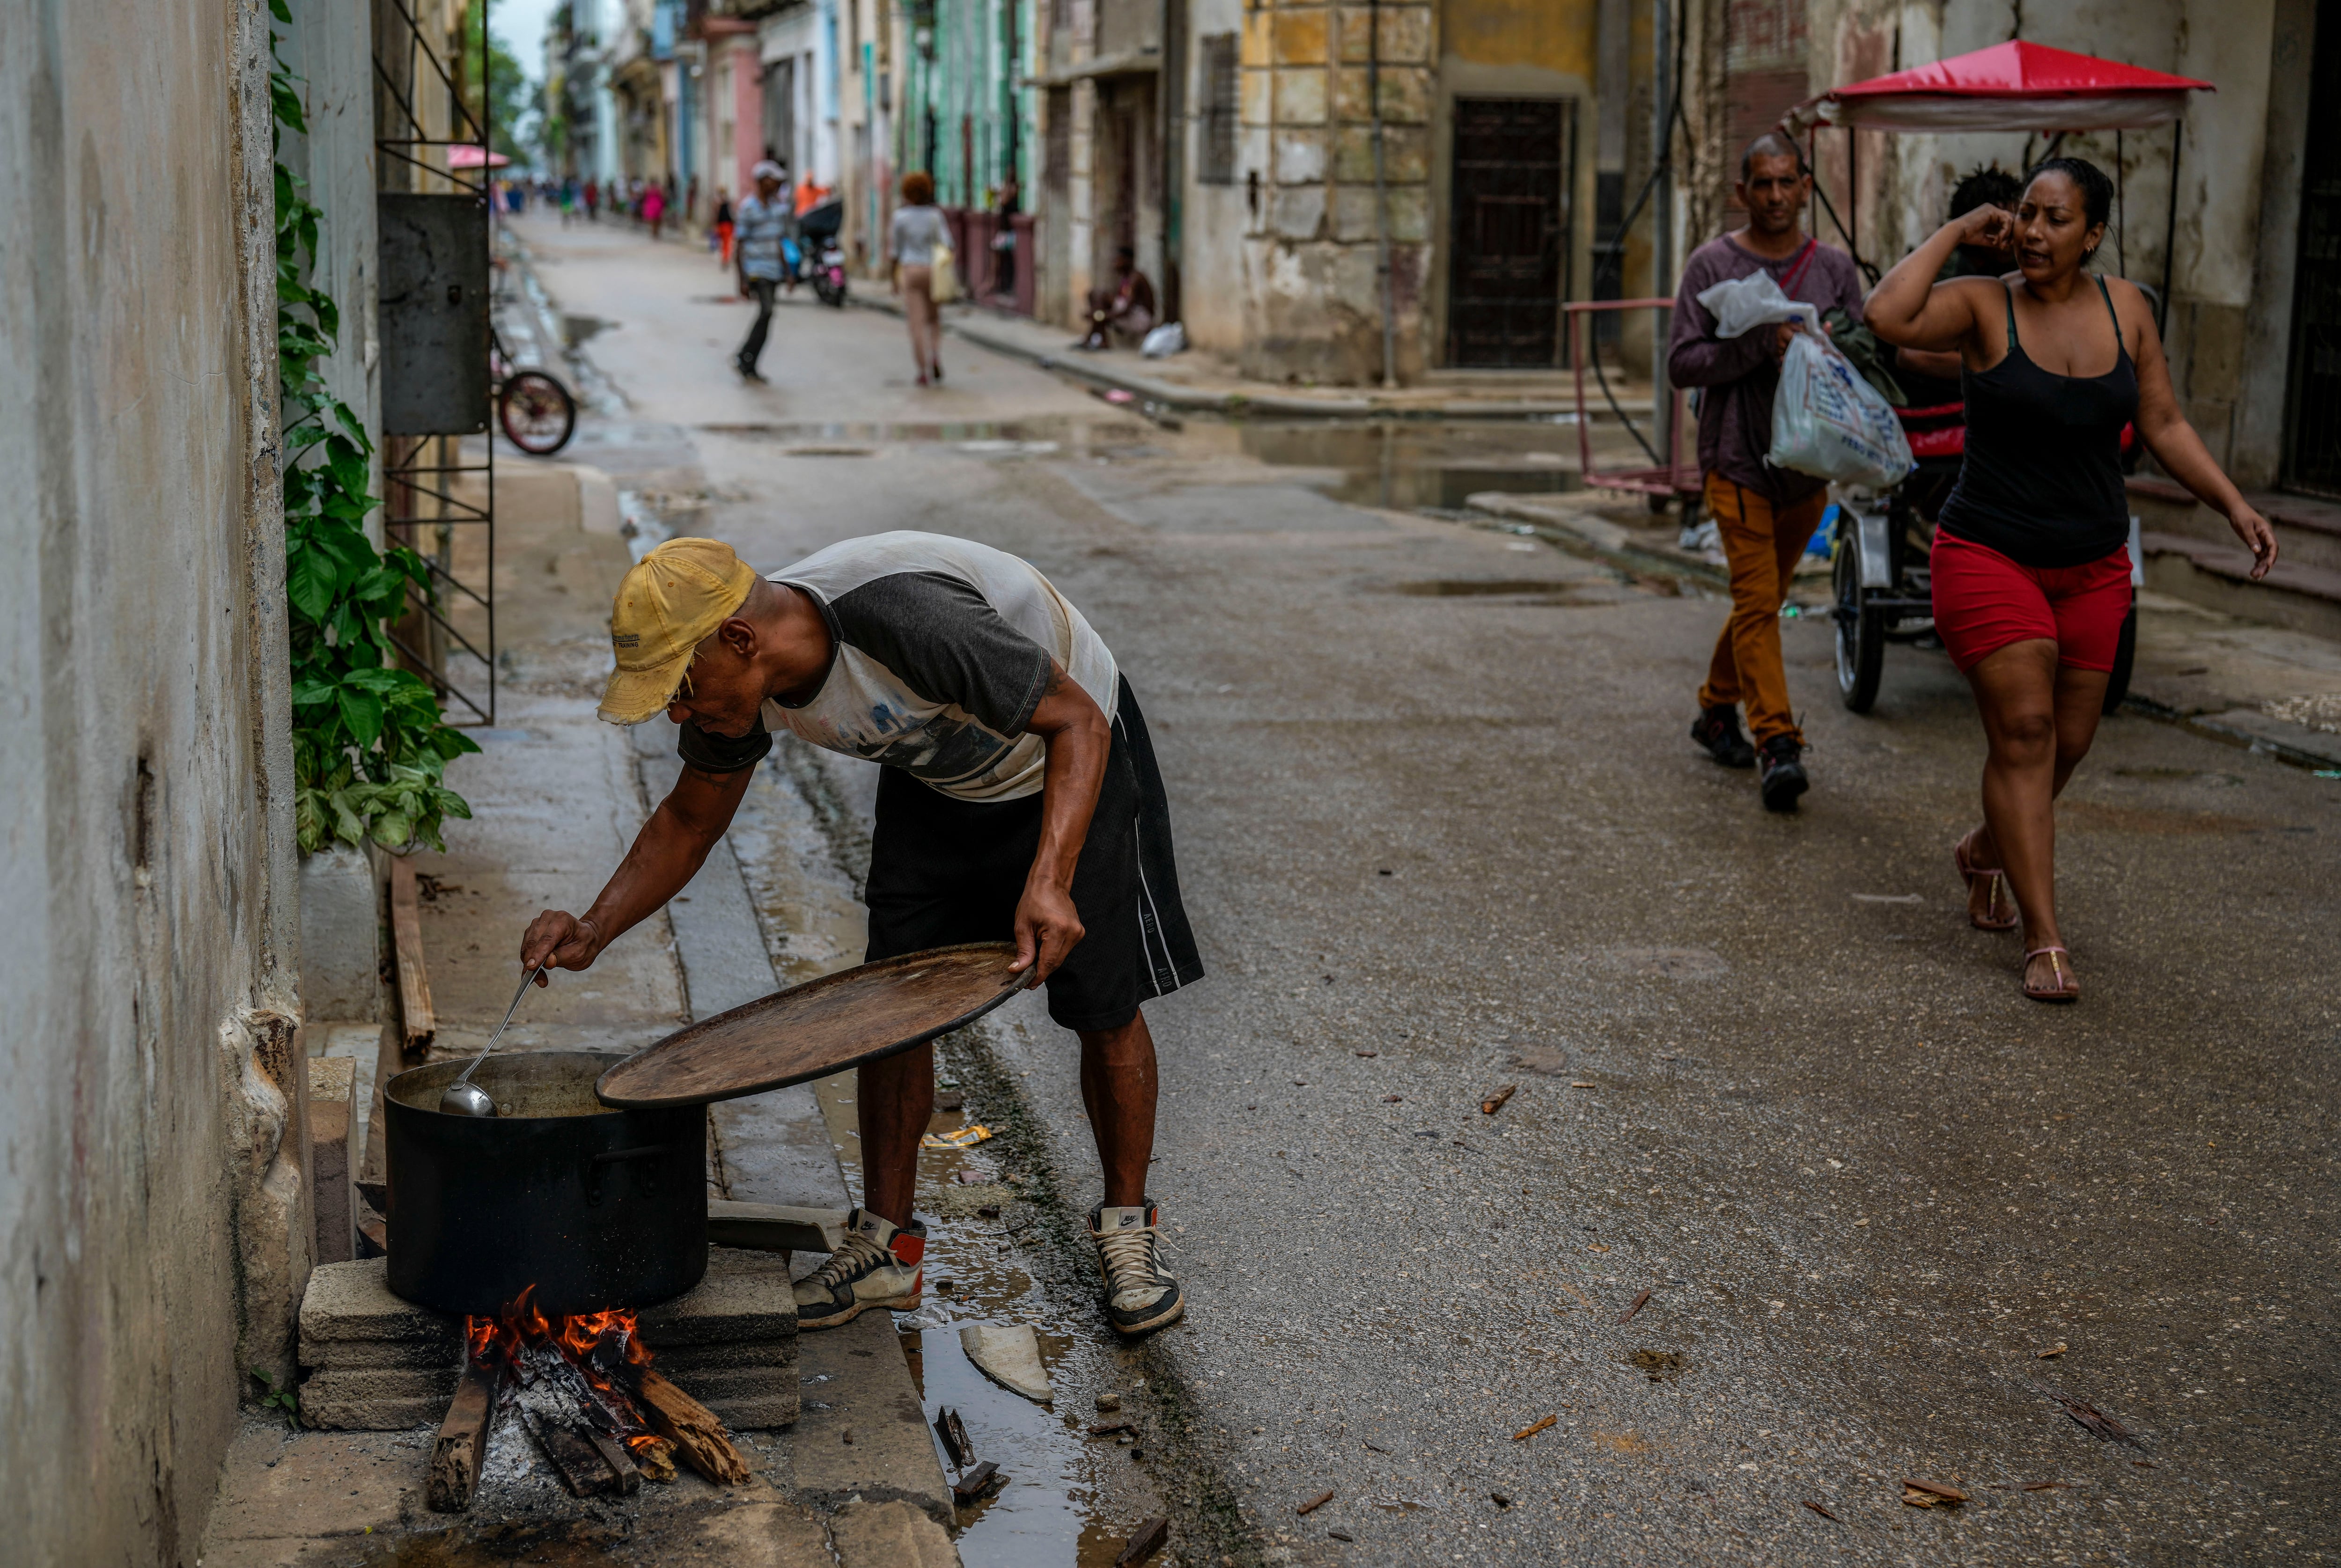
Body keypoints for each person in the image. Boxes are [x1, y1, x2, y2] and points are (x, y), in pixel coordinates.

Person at [520, 534, 1205, 1338]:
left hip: (1065, 761)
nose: (677, 710)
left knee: (1103, 1002)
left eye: (678, 684)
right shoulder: (743, 684)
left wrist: (1049, 878)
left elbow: (1078, 723)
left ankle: (1128, 1231)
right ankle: (888, 1249)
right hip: (939, 777)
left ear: (739, 640)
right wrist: (595, 926)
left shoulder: (903, 619)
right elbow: (689, 817)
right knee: (888, 1004)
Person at [1865, 158, 2276, 1002]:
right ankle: (2045, 937)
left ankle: (1985, 849)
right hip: (1988, 553)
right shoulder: (1985, 304)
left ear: (2093, 234)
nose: (2035, 232)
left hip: (2094, 565)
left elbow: (2160, 420)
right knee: (2023, 732)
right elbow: (1885, 314)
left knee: (2072, 742)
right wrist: (1955, 232)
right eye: (2026, 216)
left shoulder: (2130, 310)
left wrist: (2232, 504)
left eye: (2057, 220)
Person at [1667, 131, 1867, 812]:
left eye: (1788, 182)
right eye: (1763, 184)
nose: (1777, 197)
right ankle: (1777, 743)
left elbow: (1864, 353)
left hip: (1808, 471)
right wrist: (1757, 343)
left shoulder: (1835, 270)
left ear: (1806, 185)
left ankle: (1716, 709)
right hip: (1736, 461)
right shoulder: (1711, 265)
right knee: (1759, 604)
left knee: (1757, 602)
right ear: (1741, 192)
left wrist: (1834, 347)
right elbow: (1682, 364)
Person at [1894, 165, 2025, 400]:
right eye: (2010, 219)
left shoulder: (2002, 266)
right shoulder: (1952, 267)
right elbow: (1912, 356)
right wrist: (2004, 371)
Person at [890, 171, 951, 385]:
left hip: (911, 270)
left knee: (916, 323)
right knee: (933, 319)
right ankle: (934, 353)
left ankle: (923, 370)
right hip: (932, 270)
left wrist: (893, 279)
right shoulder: (935, 216)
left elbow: (895, 251)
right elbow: (947, 243)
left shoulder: (901, 217)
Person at [733, 161, 790, 382]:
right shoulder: (748, 208)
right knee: (767, 311)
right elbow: (740, 245)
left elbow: (778, 241)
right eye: (772, 181)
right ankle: (745, 355)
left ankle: (749, 361)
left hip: (774, 268)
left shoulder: (777, 209)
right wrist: (742, 280)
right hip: (756, 269)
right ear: (761, 182)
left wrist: (788, 271)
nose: (776, 185)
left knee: (768, 316)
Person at [1078, 245, 1156, 350]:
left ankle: (1093, 340)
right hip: (1130, 316)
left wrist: (1099, 316)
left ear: (1128, 260)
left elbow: (1126, 311)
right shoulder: (1125, 278)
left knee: (1101, 300)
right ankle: (1100, 341)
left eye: (1119, 260)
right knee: (1096, 297)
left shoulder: (1136, 278)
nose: (1115, 264)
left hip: (1141, 320)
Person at [712, 188, 735, 269]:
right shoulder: (727, 203)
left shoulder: (719, 203)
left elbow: (717, 216)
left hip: (724, 225)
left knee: (725, 243)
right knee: (726, 243)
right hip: (726, 225)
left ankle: (725, 259)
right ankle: (725, 258)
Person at [642, 178, 666, 242]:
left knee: (653, 220)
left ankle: (654, 232)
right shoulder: (658, 189)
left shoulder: (649, 189)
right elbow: (663, 197)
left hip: (652, 205)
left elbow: (645, 197)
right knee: (656, 220)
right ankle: (655, 232)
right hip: (657, 205)